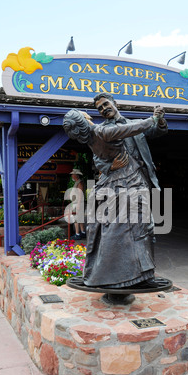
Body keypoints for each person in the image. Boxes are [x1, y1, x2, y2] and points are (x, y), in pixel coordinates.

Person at [63, 102, 168, 289]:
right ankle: (132, 275)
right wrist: (111, 167)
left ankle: (129, 274)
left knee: (125, 228)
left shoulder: (94, 136)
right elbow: (100, 159)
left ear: (114, 103)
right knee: (134, 227)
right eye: (98, 108)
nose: (102, 109)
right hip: (126, 181)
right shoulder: (102, 131)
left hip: (131, 180)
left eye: (105, 104)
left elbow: (152, 130)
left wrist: (158, 121)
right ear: (86, 120)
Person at [68, 168, 86, 240]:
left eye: (72, 174)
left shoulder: (79, 183)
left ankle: (77, 233)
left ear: (75, 175)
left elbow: (80, 194)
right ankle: (83, 232)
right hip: (77, 202)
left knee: (76, 218)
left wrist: (78, 204)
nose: (72, 175)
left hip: (78, 203)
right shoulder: (78, 182)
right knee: (80, 218)